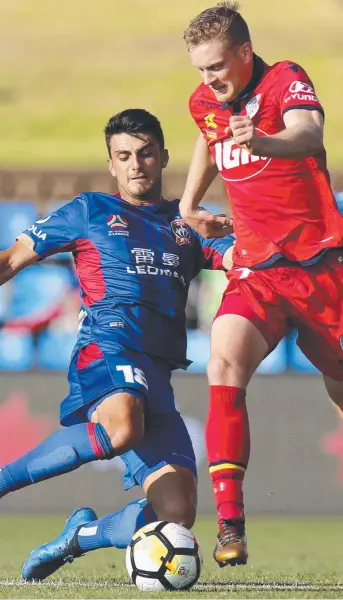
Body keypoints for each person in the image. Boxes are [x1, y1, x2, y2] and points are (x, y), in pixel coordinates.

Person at [0, 108, 234, 580]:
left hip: (158, 374)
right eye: (124, 155)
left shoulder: (186, 225)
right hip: (106, 349)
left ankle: (79, 537)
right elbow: (11, 260)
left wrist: (242, 243)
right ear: (111, 165)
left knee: (177, 515)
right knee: (122, 426)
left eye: (146, 153)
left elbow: (242, 261)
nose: (136, 164)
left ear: (165, 157)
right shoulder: (90, 211)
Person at [180, 1, 343, 568]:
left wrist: (264, 142)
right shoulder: (207, 101)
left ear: (245, 53)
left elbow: (310, 134)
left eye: (218, 66)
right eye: (201, 69)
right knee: (222, 363)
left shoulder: (285, 80)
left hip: (320, 267)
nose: (210, 80)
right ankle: (230, 525)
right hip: (255, 270)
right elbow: (206, 132)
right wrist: (188, 201)